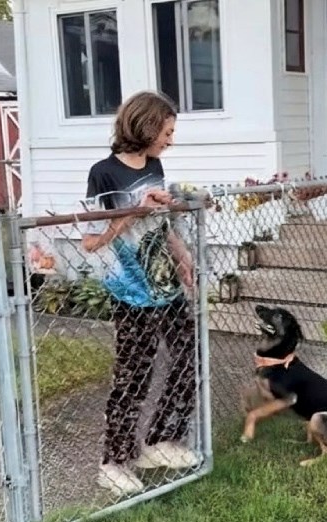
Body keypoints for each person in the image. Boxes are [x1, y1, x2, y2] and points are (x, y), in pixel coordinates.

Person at [81, 90, 200, 496]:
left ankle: (161, 442)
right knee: (134, 376)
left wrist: (184, 259)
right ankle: (114, 462)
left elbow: (160, 226)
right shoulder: (104, 173)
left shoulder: (155, 164)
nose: (170, 139)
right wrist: (136, 208)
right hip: (132, 293)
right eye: (167, 131)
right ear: (146, 126)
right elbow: (92, 241)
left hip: (166, 286)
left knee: (188, 359)